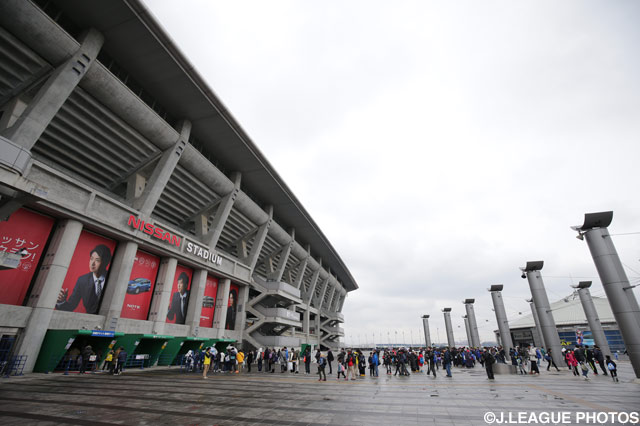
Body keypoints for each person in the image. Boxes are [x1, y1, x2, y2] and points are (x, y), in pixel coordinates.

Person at [56, 245, 112, 314]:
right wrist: (61, 301)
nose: (93, 263)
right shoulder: (82, 280)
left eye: (97, 260)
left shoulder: (113, 279)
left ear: (105, 262)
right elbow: (70, 306)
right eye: (91, 259)